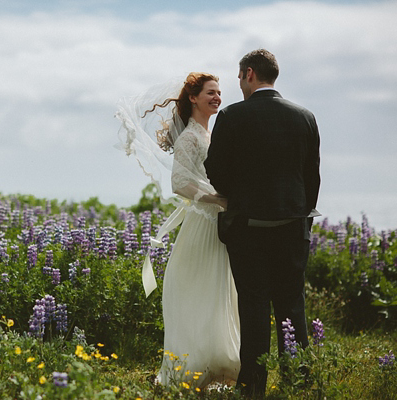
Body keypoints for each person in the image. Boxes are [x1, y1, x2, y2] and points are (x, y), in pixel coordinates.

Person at [204, 49, 321, 396]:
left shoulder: (232, 116)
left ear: (249, 73)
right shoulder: (306, 117)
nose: (239, 84)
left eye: (240, 78)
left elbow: (215, 171)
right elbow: (311, 178)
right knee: (291, 306)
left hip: (248, 229)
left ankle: (253, 386)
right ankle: (297, 382)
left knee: (252, 306)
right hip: (292, 227)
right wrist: (301, 218)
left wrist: (238, 196)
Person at [115, 72, 240, 389]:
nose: (217, 97)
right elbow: (180, 184)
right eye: (210, 92)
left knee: (217, 291)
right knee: (199, 290)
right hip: (203, 222)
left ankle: (220, 365)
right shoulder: (189, 138)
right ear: (194, 98)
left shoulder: (207, 134)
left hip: (216, 222)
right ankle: (195, 366)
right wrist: (219, 200)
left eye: (219, 92)